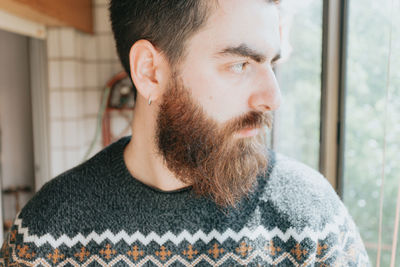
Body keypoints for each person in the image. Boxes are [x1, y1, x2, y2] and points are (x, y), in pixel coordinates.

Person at [0, 0, 370, 266]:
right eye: (240, 64)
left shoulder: (311, 218)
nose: (273, 98)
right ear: (150, 72)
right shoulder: (49, 233)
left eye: (270, 63)